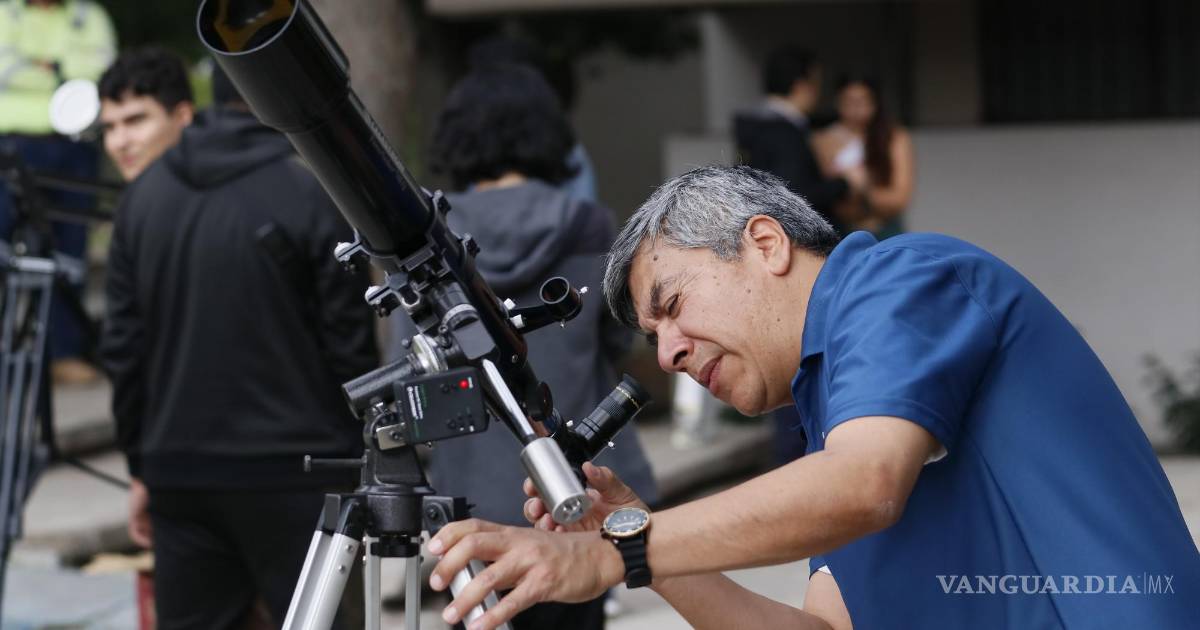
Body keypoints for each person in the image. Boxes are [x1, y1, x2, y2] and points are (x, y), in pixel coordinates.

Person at [426, 165, 1200, 630]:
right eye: (653, 336)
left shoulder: (904, 280)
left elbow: (863, 486)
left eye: (673, 305)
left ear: (765, 244)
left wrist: (605, 556)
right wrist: (630, 533)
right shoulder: (835, 413)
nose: (667, 353)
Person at [98, 58, 377, 629]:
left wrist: (141, 464)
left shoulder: (142, 199)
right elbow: (350, 344)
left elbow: (124, 352)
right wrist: (359, 451)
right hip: (299, 469)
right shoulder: (309, 189)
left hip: (180, 472)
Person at [388, 63, 658, 630]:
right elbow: (617, 338)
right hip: (569, 489)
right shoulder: (588, 224)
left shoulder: (427, 240)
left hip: (467, 494)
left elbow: (411, 367)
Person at [0, 0, 116, 384]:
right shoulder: (5, 12)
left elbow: (102, 72)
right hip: (11, 144)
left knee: (69, 252)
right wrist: (66, 76)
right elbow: (4, 67)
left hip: (74, 146)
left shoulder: (89, 15)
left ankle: (63, 353)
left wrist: (39, 67)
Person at [733, 47, 865, 233]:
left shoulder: (756, 125)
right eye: (817, 83)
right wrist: (845, 182)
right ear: (801, 86)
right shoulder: (783, 132)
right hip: (792, 236)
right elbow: (795, 194)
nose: (818, 93)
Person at [814, 75, 913, 240]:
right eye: (849, 101)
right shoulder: (823, 139)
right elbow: (823, 194)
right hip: (840, 228)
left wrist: (862, 187)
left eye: (862, 101)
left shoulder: (892, 137)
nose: (855, 108)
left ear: (875, 103)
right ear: (837, 102)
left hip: (885, 227)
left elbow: (899, 197)